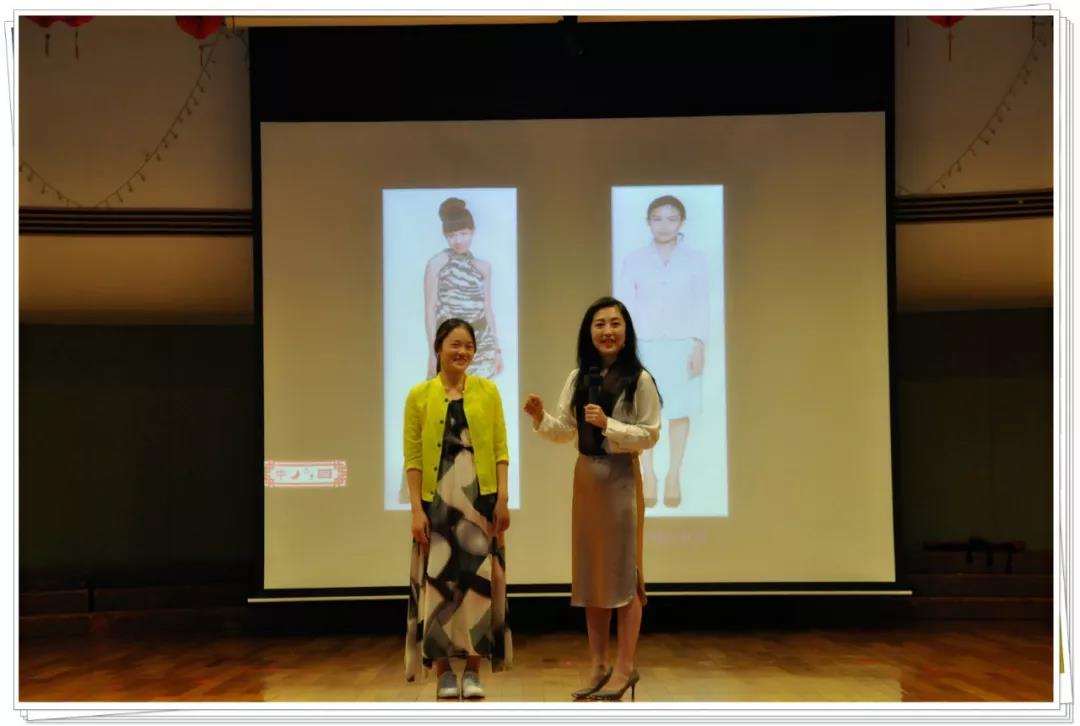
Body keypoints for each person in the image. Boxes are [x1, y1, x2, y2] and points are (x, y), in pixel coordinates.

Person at [523, 296, 661, 701]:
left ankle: (625, 668)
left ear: (626, 331)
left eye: (615, 323)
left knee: (625, 575)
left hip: (620, 478)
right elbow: (566, 429)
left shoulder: (640, 379)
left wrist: (609, 424)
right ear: (589, 332)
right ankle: (598, 665)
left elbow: (650, 434)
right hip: (586, 479)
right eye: (599, 324)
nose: (607, 331)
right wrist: (540, 418)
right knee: (591, 573)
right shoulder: (578, 377)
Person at [404, 318, 512, 699]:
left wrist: (502, 498)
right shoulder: (419, 395)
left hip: (479, 499)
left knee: (477, 584)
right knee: (440, 583)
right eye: (455, 344)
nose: (462, 351)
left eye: (468, 345)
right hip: (437, 501)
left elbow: (500, 448)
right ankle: (444, 671)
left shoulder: (488, 391)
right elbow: (413, 459)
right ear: (439, 348)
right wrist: (416, 510)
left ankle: (473, 669)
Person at [615, 194, 709, 509]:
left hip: (683, 343)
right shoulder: (634, 259)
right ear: (648, 222)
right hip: (645, 343)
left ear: (682, 222)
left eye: (671, 219)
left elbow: (702, 303)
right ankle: (649, 474)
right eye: (657, 218)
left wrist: (699, 343)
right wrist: (626, 350)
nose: (664, 225)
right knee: (646, 412)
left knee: (680, 410)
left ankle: (674, 475)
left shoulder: (695, 259)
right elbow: (624, 305)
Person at [424, 197, 503, 379]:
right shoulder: (436, 264)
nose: (458, 240)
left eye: (463, 233)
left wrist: (497, 350)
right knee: (445, 395)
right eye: (452, 235)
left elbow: (488, 309)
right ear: (445, 236)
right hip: (449, 345)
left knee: (478, 395)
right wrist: (432, 352)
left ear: (473, 232)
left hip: (481, 346)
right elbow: (430, 309)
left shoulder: (483, 267)